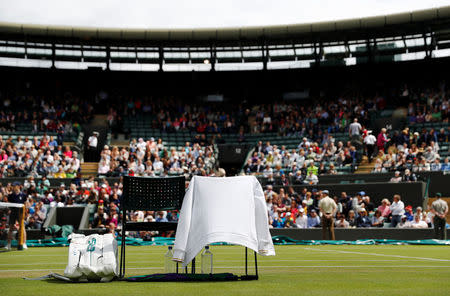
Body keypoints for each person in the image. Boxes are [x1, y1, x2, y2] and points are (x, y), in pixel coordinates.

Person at [5, 181, 27, 250]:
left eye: (14, 186)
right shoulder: (11, 195)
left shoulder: (23, 195)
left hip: (20, 213)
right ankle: (8, 244)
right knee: (10, 228)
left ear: (18, 186)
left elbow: (25, 204)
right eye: (13, 186)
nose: (13, 187)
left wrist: (25, 212)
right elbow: (8, 203)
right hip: (13, 213)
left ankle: (24, 243)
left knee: (22, 228)